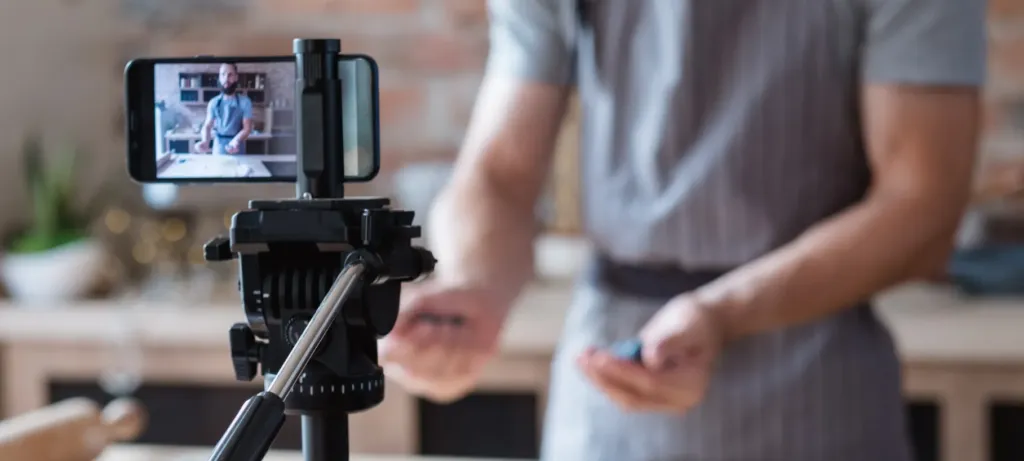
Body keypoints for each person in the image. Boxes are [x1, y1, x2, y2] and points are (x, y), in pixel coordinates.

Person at [379, 1, 986, 460]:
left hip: (819, 388)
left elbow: (923, 203)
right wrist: (474, 288)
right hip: (604, 397)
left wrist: (722, 313)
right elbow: (501, 171)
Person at [196, 63, 253, 156]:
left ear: (236, 77)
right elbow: (207, 126)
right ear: (219, 78)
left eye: (230, 75)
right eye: (223, 74)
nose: (226, 78)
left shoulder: (245, 102)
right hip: (219, 149)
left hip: (237, 148)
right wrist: (205, 141)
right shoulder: (213, 102)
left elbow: (247, 129)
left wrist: (235, 141)